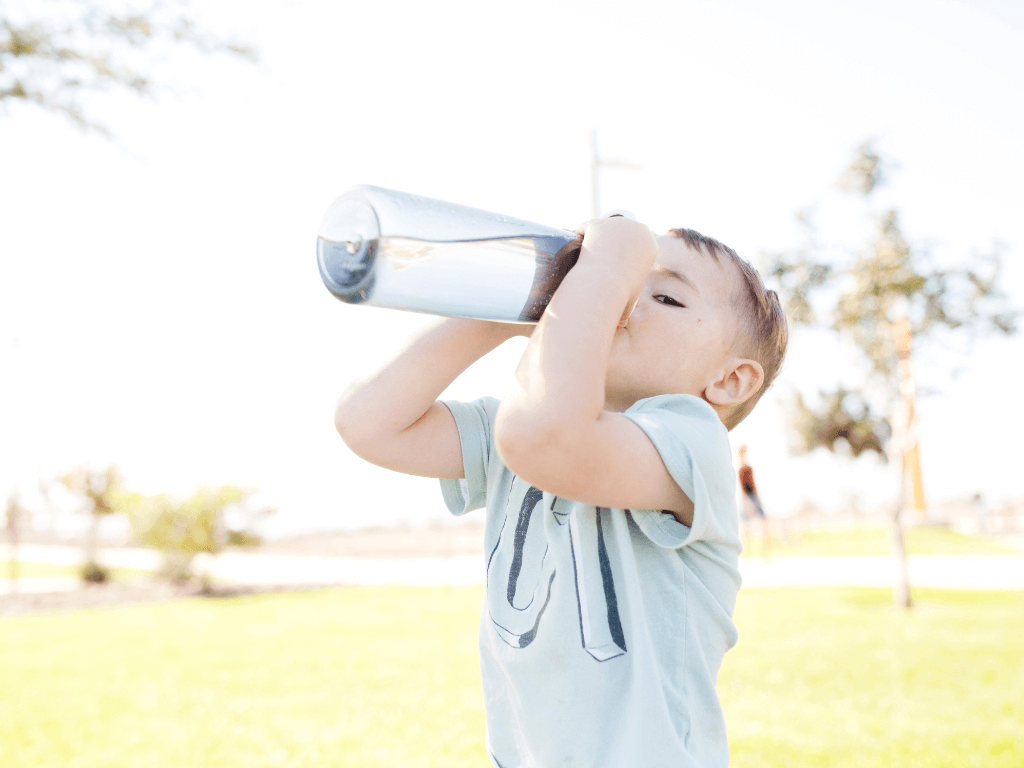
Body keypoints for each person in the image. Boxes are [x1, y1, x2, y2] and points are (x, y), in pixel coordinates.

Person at [335, 216, 788, 768]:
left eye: (666, 296)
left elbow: (546, 436)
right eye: (626, 279)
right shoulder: (523, 426)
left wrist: (602, 268)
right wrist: (497, 313)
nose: (623, 298)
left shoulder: (693, 441)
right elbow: (368, 422)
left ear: (729, 381)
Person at [736, 444, 769, 550]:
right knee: (748, 522)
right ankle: (747, 546)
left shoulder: (746, 468)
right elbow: (744, 486)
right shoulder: (742, 469)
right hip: (748, 497)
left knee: (760, 520)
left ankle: (765, 545)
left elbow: (752, 484)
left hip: (751, 496)